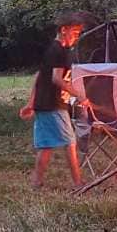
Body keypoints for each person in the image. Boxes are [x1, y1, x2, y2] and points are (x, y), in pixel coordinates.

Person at [19, 13, 91, 189]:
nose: (76, 36)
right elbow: (57, 79)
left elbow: (39, 76)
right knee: (70, 142)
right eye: (74, 32)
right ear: (63, 30)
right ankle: (78, 183)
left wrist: (31, 103)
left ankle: (36, 183)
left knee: (46, 145)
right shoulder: (57, 50)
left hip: (44, 104)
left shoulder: (56, 50)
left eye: (78, 33)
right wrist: (80, 96)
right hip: (52, 104)